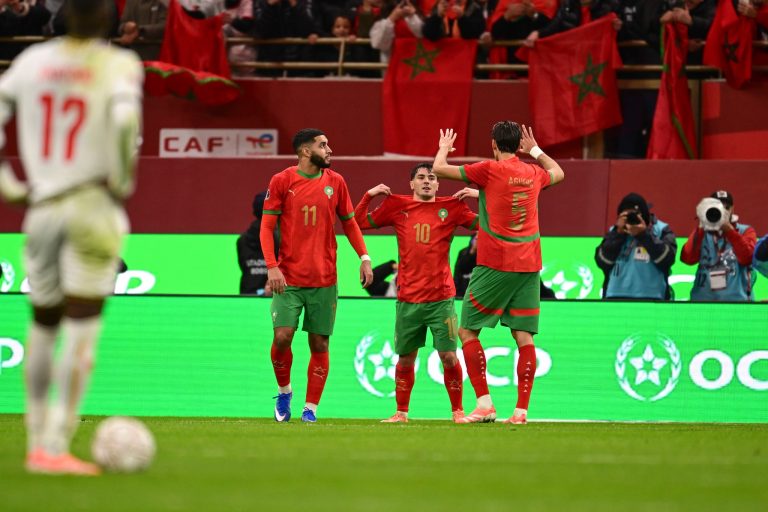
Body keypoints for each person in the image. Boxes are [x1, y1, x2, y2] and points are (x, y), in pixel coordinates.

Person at [0, 0, 143, 475]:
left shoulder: (31, 62)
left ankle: (37, 445)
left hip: (41, 206)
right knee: (82, 327)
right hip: (90, 203)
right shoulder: (117, 62)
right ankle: (57, 444)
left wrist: (9, 186)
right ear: (104, 20)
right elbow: (124, 123)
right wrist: (122, 179)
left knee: (42, 326)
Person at [432, 122, 565, 424]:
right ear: (519, 145)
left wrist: (444, 148)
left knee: (467, 331)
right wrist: (536, 151)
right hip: (529, 266)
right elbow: (558, 172)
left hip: (495, 264)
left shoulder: (488, 170)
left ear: (493, 144)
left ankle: (485, 404)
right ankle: (520, 412)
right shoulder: (533, 173)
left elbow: (439, 169)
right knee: (524, 338)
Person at [260, 128, 374, 423]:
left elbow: (350, 224)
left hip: (325, 280)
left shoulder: (336, 182)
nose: (330, 149)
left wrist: (364, 257)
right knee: (283, 336)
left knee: (320, 344)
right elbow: (265, 227)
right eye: (323, 145)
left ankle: (310, 408)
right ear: (305, 151)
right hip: (289, 278)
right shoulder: (282, 181)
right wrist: (271, 266)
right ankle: (284, 392)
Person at [354, 163, 479, 423]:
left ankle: (458, 412)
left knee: (448, 356)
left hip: (441, 299)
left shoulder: (453, 208)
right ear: (411, 184)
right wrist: (369, 195)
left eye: (431, 178)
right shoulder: (397, 206)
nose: (426, 181)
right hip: (407, 299)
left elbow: (490, 225)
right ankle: (401, 413)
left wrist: (481, 196)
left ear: (437, 184)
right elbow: (357, 222)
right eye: (421, 177)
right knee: (405, 358)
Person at [595, 193, 677, 300]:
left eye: (635, 214)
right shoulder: (615, 231)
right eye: (626, 215)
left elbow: (667, 259)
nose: (631, 219)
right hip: (615, 296)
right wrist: (618, 234)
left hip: (653, 297)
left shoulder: (661, 229)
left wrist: (643, 235)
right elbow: (602, 262)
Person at [681, 190, 757, 301]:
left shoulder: (745, 231)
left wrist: (730, 232)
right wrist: (701, 227)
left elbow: (747, 258)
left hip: (737, 302)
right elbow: (687, 258)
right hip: (703, 301)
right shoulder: (702, 232)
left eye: (726, 208)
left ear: (732, 209)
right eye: (718, 207)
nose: (723, 212)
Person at [237, 191, 276, 295]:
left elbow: (243, 265)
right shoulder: (279, 238)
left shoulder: (242, 239)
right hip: (273, 295)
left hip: (248, 296)